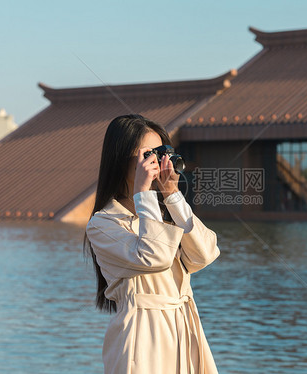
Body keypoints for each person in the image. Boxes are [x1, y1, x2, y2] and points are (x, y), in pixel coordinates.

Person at [84, 114, 220, 374]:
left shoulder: (163, 211)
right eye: (148, 154)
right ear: (122, 159)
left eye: (161, 153)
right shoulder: (103, 224)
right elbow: (154, 257)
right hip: (143, 338)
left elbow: (205, 254)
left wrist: (172, 195)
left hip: (184, 329)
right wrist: (143, 193)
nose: (158, 162)